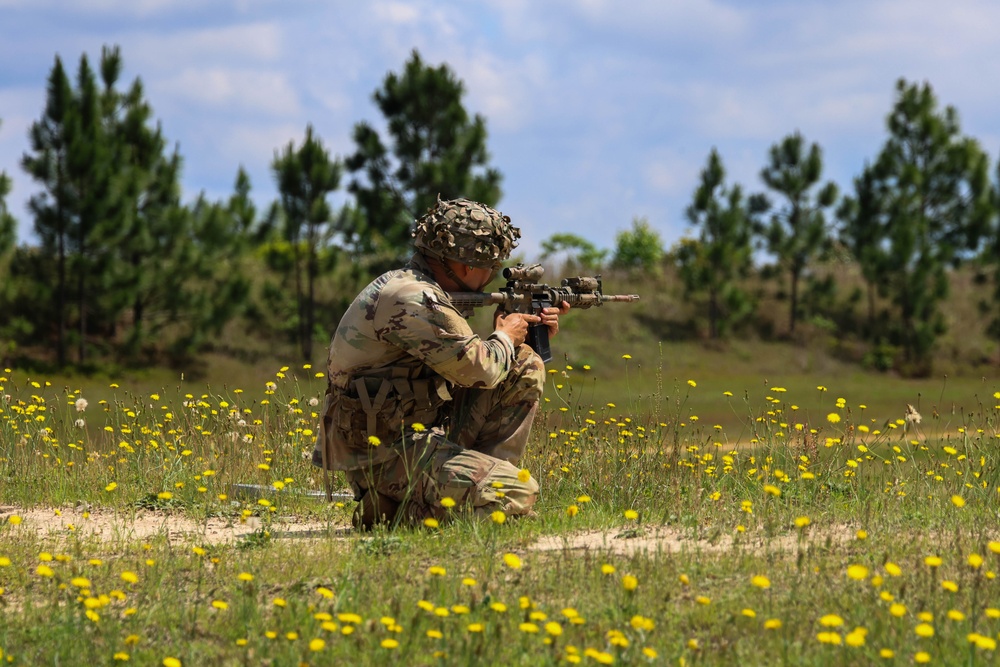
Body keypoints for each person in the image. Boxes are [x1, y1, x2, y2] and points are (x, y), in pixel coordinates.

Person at [311, 197, 569, 529]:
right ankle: (403, 514)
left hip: (414, 437)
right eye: (491, 269)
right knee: (517, 491)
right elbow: (481, 369)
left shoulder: (416, 287)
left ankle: (469, 490)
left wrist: (518, 334)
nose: (491, 277)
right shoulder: (413, 297)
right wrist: (504, 335)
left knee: (522, 363)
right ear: (466, 267)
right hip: (382, 454)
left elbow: (465, 361)